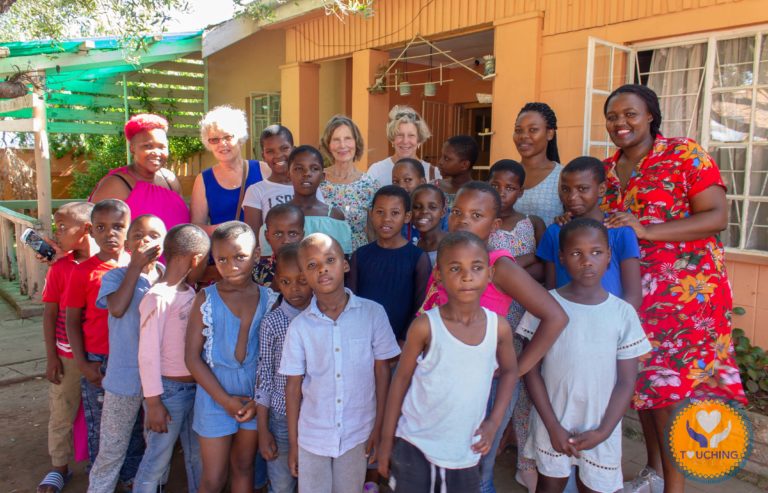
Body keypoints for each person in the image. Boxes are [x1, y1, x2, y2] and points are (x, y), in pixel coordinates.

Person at [600, 84, 746, 493]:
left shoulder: (683, 153)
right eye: (612, 116)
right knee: (644, 387)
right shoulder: (608, 169)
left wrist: (647, 229)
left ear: (650, 116)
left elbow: (716, 215)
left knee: (668, 392)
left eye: (629, 114)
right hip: (633, 296)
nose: (620, 123)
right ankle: (655, 472)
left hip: (685, 296)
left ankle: (673, 488)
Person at [416, 181, 569, 493]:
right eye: (458, 212)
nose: (463, 221)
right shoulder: (447, 258)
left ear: (494, 224)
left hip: (484, 383)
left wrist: (520, 367)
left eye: (476, 215)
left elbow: (555, 316)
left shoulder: (498, 265)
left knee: (476, 473)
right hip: (440, 379)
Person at [377, 231, 518, 492]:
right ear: (439, 275)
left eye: (476, 267)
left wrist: (493, 422)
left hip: (464, 448)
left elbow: (510, 371)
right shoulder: (425, 327)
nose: (467, 276)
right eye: (455, 268)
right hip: (415, 443)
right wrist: (386, 440)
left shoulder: (498, 328)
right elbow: (400, 381)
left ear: (489, 273)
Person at [519, 218, 651, 493]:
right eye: (576, 253)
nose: (587, 261)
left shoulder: (622, 313)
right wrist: (553, 426)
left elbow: (627, 382)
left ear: (608, 257)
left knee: (594, 487)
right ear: (562, 257)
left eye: (596, 252)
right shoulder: (545, 306)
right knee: (548, 485)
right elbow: (530, 370)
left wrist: (603, 432)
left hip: (602, 425)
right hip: (551, 421)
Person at [280, 233, 401, 493]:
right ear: (304, 275)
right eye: (312, 265)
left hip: (358, 432)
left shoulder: (372, 314)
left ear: (344, 265)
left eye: (330, 260)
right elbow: (292, 387)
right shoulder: (299, 327)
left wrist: (378, 429)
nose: (322, 268)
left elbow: (383, 372)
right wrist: (294, 444)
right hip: (312, 435)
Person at [185, 221, 271, 493]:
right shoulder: (206, 298)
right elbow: (191, 357)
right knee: (213, 477)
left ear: (256, 255)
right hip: (214, 394)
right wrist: (225, 401)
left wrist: (259, 400)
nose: (231, 265)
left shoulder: (271, 298)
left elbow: (274, 359)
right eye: (222, 259)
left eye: (240, 257)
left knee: (244, 466)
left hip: (255, 395)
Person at [87, 215, 167, 493]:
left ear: (165, 242)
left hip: (159, 381)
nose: (145, 240)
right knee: (112, 448)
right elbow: (117, 308)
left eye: (154, 235)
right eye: (138, 235)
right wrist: (135, 267)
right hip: (124, 378)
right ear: (128, 243)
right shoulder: (116, 276)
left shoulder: (167, 279)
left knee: (156, 448)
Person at [133, 224, 211, 493]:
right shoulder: (157, 297)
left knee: (197, 456)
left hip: (195, 389)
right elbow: (147, 354)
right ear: (197, 259)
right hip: (169, 393)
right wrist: (153, 402)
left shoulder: (189, 293)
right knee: (156, 459)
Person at [64, 200, 131, 483]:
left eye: (118, 227)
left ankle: (131, 475)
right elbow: (71, 320)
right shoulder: (82, 272)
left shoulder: (139, 267)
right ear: (91, 231)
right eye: (101, 227)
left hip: (131, 359)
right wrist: (83, 363)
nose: (110, 234)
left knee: (135, 423)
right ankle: (101, 479)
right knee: (101, 426)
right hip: (99, 361)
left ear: (129, 229)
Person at [37, 202, 96, 493]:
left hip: (100, 354)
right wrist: (51, 356)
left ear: (86, 230)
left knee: (101, 411)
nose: (55, 233)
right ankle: (59, 467)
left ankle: (102, 462)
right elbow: (49, 313)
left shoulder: (110, 265)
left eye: (62, 227)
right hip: (67, 355)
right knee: (62, 408)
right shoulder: (60, 268)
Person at [538, 156, 642, 309]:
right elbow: (551, 289)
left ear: (601, 189)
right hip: (566, 321)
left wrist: (615, 325)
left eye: (582, 189)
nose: (572, 197)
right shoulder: (555, 232)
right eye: (566, 189)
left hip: (611, 322)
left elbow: (633, 295)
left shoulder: (621, 232)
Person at [254, 243, 313, 493]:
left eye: (302, 280)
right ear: (277, 283)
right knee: (281, 485)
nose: (295, 289)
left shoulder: (324, 318)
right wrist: (262, 429)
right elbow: (264, 375)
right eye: (286, 282)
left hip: (316, 419)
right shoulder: (272, 322)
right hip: (280, 418)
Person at [347, 185, 432, 342]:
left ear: (407, 217)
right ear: (371, 214)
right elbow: (351, 301)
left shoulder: (418, 258)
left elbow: (420, 306)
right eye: (380, 212)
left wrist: (404, 341)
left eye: (395, 213)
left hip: (401, 343)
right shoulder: (360, 256)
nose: (386, 219)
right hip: (363, 340)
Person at [89, 114, 190, 231]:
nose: (156, 152)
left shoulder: (169, 179)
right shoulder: (116, 184)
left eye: (162, 147)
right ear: (132, 148)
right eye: (148, 146)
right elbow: (93, 228)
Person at [260, 145, 351, 256]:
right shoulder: (277, 217)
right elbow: (267, 261)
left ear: (322, 177)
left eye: (314, 168)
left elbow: (343, 262)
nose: (307, 173)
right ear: (289, 174)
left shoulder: (334, 216)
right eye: (299, 168)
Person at [243, 125, 324, 244]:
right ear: (263, 156)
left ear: (293, 149)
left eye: (284, 148)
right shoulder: (256, 191)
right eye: (270, 151)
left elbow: (321, 223)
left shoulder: (309, 186)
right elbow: (254, 239)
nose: (278, 155)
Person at [191, 106, 264, 234]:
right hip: (223, 252)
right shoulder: (203, 180)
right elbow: (197, 226)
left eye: (228, 137)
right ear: (209, 144)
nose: (222, 144)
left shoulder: (263, 169)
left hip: (260, 251)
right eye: (215, 139)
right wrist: (224, 230)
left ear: (240, 139)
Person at [319, 115, 379, 250]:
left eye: (347, 138)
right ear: (328, 145)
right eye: (336, 140)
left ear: (356, 142)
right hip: (323, 256)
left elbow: (373, 231)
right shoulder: (318, 181)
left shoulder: (369, 185)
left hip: (358, 257)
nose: (342, 145)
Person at [487, 159, 545, 281]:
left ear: (520, 192)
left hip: (528, 295)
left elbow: (544, 267)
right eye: (495, 186)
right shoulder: (481, 224)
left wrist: (507, 275)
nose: (501, 193)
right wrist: (531, 258)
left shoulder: (534, 223)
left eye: (510, 188)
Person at [512, 102, 564, 226]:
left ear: (550, 133)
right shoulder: (507, 173)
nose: (523, 136)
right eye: (518, 130)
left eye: (533, 130)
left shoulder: (562, 176)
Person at [367, 105, 440, 186]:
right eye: (400, 135)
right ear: (392, 139)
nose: (405, 141)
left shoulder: (433, 173)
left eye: (411, 135)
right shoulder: (377, 171)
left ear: (419, 140)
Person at [252, 204, 305, 289]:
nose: (286, 240)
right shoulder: (257, 273)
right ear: (267, 236)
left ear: (302, 235)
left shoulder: (311, 269)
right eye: (278, 234)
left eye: (293, 234)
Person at [433, 135, 477, 212]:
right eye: (442, 156)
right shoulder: (433, 187)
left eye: (446, 158)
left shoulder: (479, 193)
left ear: (464, 165)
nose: (440, 162)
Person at [392, 158, 428, 243]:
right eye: (395, 181)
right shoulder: (392, 213)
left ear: (422, 182)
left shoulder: (437, 213)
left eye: (407, 180)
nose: (401, 186)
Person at [411, 184, 447, 266]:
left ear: (443, 212)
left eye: (432, 207)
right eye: (417, 207)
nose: (424, 211)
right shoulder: (412, 249)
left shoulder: (454, 246)